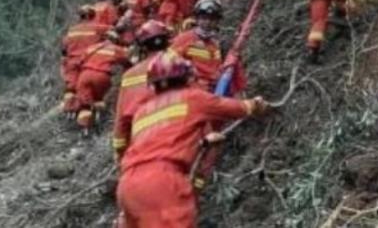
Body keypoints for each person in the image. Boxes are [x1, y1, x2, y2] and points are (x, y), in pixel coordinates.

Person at [115, 53, 268, 227]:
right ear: (187, 76)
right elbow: (238, 108)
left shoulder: (142, 111)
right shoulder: (192, 98)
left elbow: (157, 145)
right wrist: (256, 104)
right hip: (162, 181)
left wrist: (202, 144)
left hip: (128, 186)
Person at [112, 20, 172, 162]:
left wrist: (120, 150)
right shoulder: (178, 66)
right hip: (171, 137)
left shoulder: (129, 76)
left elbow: (122, 118)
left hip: (139, 139)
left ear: (142, 46)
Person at [74, 31, 132, 132]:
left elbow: (79, 62)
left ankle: (84, 130)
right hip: (102, 77)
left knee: (85, 104)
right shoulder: (116, 50)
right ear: (116, 40)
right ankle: (99, 122)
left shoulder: (91, 47)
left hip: (85, 75)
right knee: (98, 100)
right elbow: (127, 62)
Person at [60, 6, 109, 114]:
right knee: (87, 91)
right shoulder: (98, 28)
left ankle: (69, 112)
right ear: (92, 16)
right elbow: (113, 32)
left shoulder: (71, 30)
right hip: (88, 63)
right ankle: (86, 114)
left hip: (72, 63)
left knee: (71, 88)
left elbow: (63, 48)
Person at [168, 0, 224, 91]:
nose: (207, 22)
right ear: (197, 19)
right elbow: (167, 62)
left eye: (212, 19)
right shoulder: (184, 39)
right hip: (192, 91)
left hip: (214, 91)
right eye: (204, 18)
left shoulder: (215, 44)